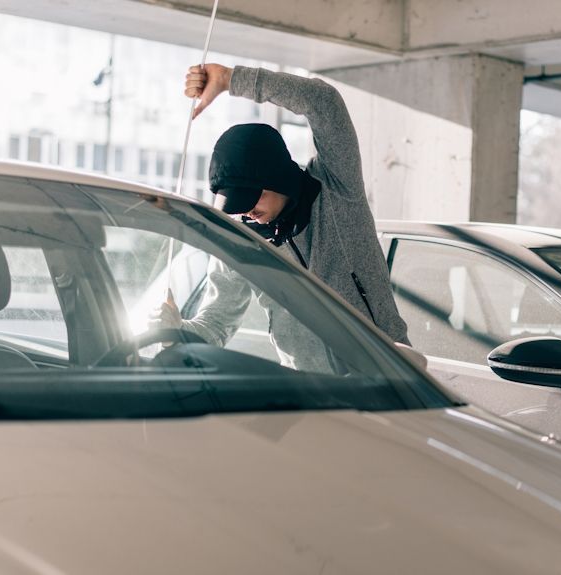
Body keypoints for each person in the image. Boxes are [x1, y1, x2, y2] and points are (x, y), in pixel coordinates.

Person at [155, 63, 409, 371]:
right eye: (237, 204)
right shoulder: (241, 238)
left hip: (390, 377)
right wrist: (174, 332)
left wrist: (230, 80)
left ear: (278, 179)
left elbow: (323, 101)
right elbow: (217, 323)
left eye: (252, 197)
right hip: (308, 391)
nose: (247, 211)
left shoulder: (336, 188)